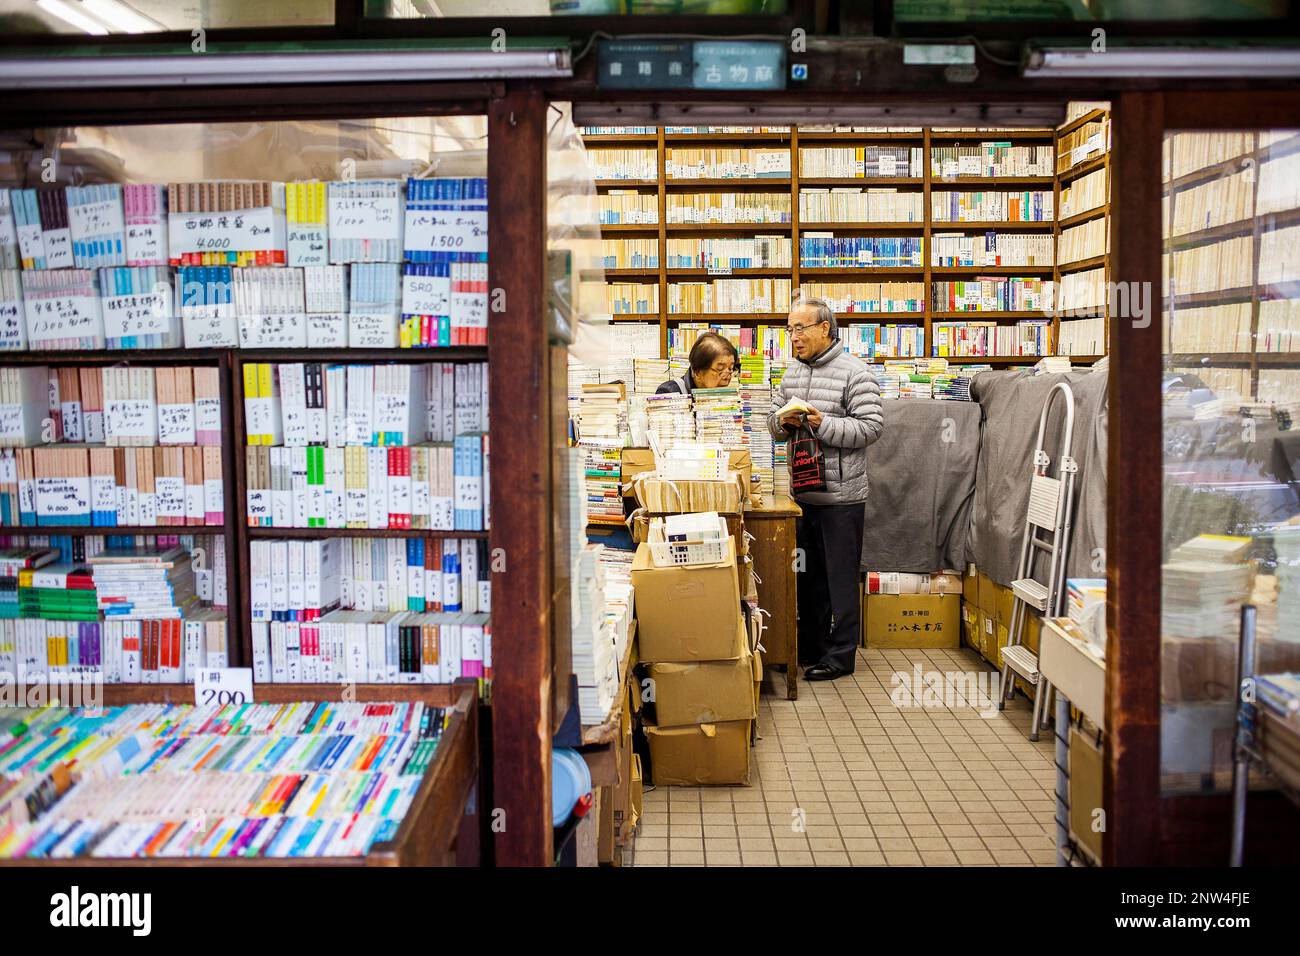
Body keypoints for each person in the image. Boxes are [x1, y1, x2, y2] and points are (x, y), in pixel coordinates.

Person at [767, 297, 884, 681]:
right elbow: (771, 420)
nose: (794, 337)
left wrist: (822, 423)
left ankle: (841, 655)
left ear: (825, 328)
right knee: (807, 576)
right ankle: (814, 646)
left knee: (839, 578)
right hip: (802, 494)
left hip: (841, 498)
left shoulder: (856, 373)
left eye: (800, 328)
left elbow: (870, 429)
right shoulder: (790, 374)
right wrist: (781, 423)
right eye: (789, 330)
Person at [656, 331, 738, 395]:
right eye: (720, 369)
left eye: (731, 369)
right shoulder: (669, 392)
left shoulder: (730, 399)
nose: (727, 378)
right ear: (698, 372)